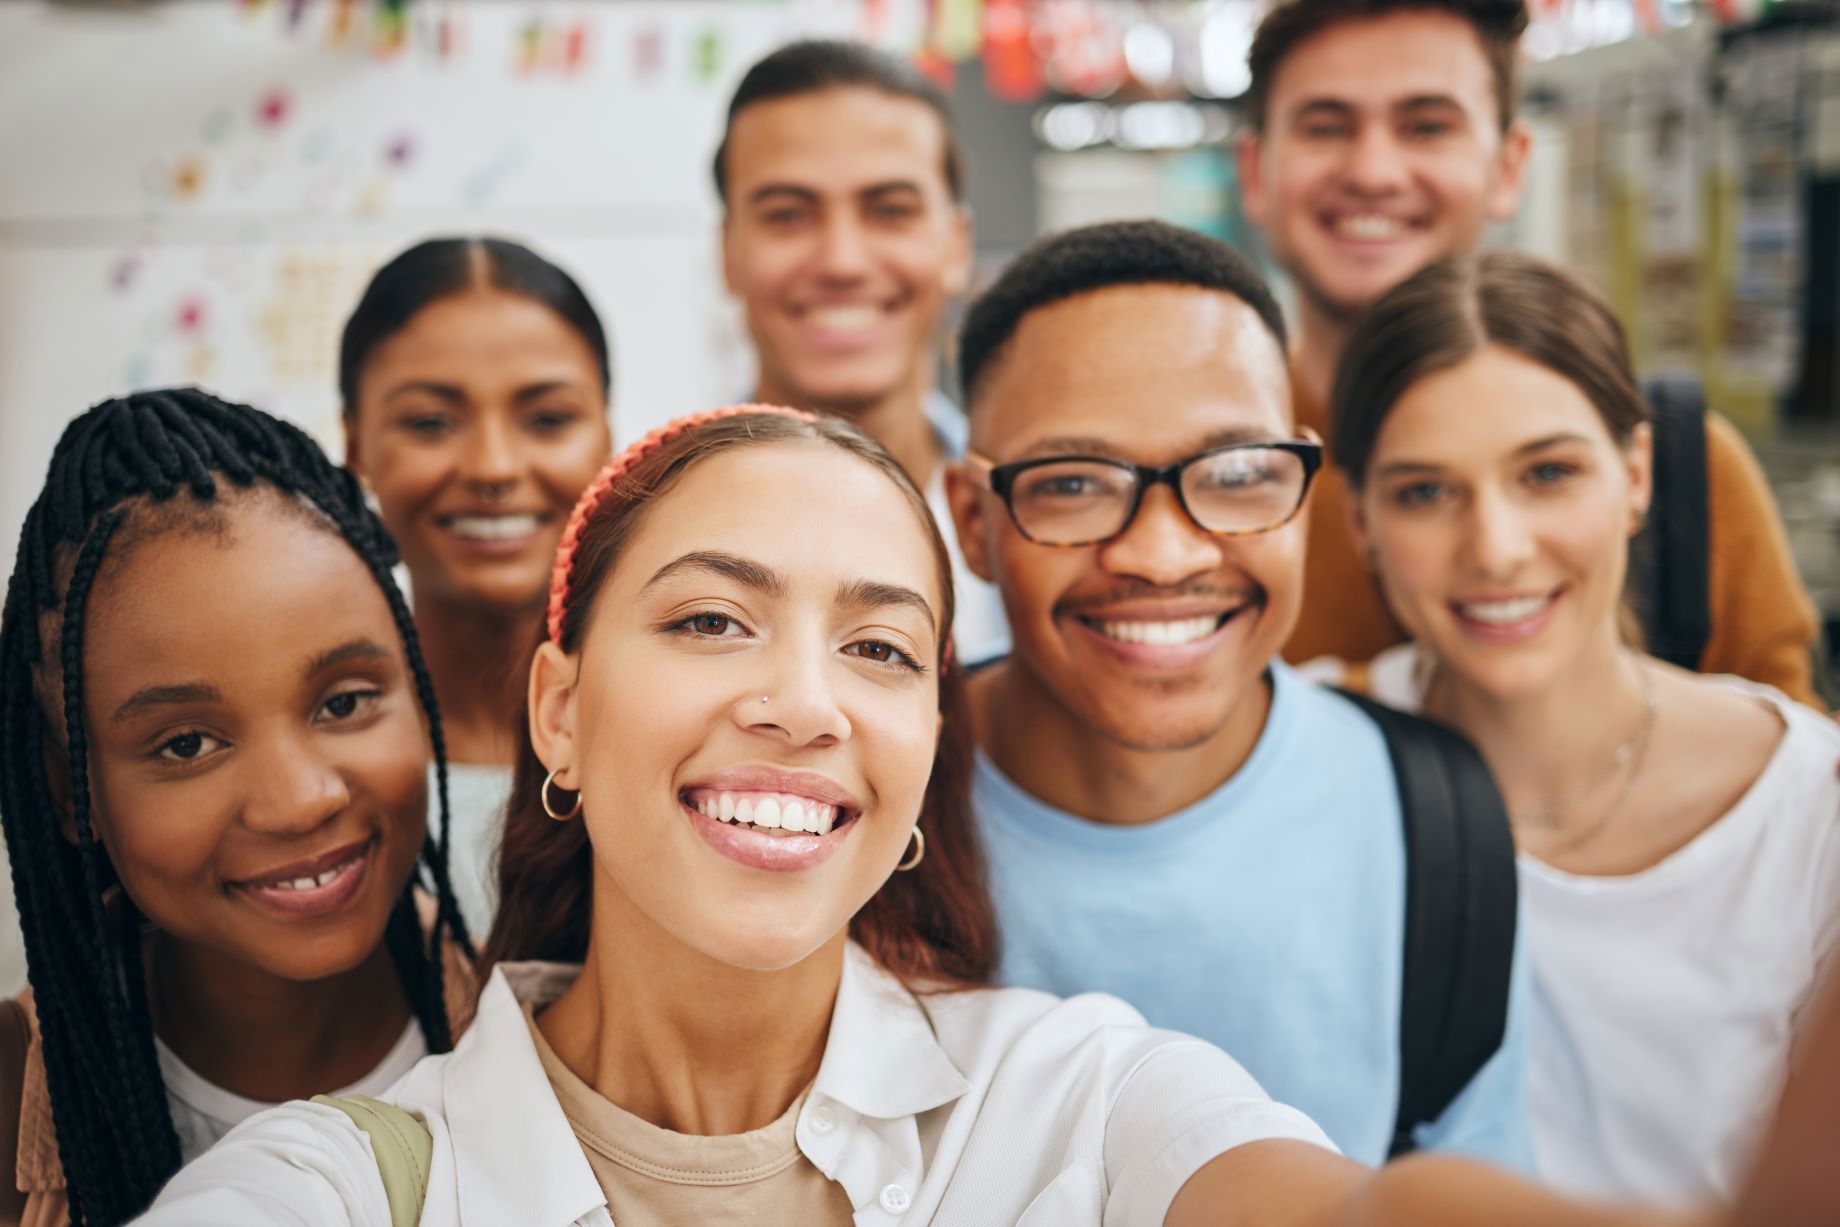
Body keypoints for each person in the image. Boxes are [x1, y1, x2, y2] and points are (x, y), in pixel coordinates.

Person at [137, 405, 1765, 1227]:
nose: (807, 701)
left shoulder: (1069, 1097)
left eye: (880, 646)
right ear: (559, 708)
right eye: (712, 620)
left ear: (925, 743)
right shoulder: (332, 1189)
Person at [941, 218, 1529, 1167]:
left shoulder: (1437, 820)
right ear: (974, 521)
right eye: (1076, 483)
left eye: (1239, 474)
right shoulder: (863, 812)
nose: (1165, 554)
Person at [1311, 252, 1840, 1204]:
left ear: (1636, 474)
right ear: (1359, 521)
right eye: (1425, 491)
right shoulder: (1298, 761)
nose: (1498, 547)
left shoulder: (1809, 810)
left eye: (1548, 472)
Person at [1235, 0, 1822, 702]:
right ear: (1254, 171)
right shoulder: (1196, 485)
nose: (1374, 171)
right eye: (1326, 127)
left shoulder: (1687, 474)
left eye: (1427, 126)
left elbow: (1795, 778)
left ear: (1510, 164)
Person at [0, 389, 472, 1226]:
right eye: (186, 743)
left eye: (345, 701)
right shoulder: (11, 1090)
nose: (300, 800)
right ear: (72, 792)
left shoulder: (541, 1029)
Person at [340, 236, 614, 936]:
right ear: (355, 446)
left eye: (548, 419)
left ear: (607, 437)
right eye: (430, 422)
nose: (493, 466)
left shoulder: (675, 727)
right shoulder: (311, 760)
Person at [715, 39, 1010, 664]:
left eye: (890, 210)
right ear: (727, 252)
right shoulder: (633, 536)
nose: (842, 261)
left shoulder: (1031, 521)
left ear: (956, 247)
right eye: (788, 215)